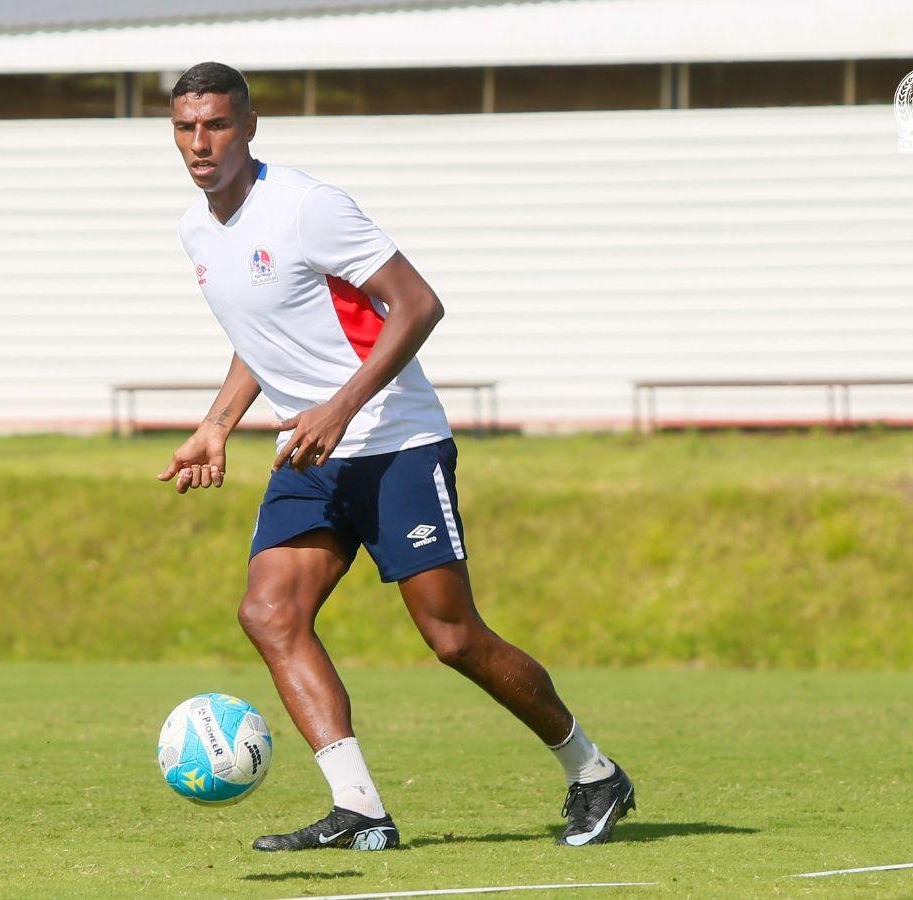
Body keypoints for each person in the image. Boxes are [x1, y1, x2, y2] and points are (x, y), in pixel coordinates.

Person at [159, 61, 635, 851]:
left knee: (452, 638)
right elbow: (263, 335)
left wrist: (341, 408)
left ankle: (594, 773)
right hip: (310, 453)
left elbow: (418, 304)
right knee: (269, 613)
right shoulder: (195, 229)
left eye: (215, 124)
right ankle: (360, 809)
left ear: (249, 127)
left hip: (394, 441)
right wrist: (217, 424)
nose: (200, 142)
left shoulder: (309, 207)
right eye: (185, 127)